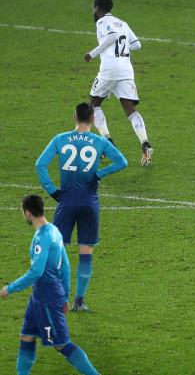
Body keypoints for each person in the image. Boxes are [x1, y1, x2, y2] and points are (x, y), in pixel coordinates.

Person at [35, 102, 128, 313]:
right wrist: (98, 175)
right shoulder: (99, 141)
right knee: (85, 252)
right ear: (93, 119)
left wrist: (52, 190)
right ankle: (79, 301)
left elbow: (40, 164)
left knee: (58, 251)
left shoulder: (61, 139)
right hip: (89, 203)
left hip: (66, 202)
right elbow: (122, 162)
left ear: (73, 117)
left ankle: (58, 298)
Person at [1, 195, 100, 375]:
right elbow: (66, 267)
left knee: (61, 345)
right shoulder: (54, 230)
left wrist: (10, 287)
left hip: (47, 297)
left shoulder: (41, 238)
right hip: (40, 297)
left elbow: (36, 272)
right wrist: (65, 295)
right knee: (27, 337)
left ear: (28, 213)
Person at [84, 0, 153, 166]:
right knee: (130, 108)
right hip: (126, 70)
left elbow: (113, 36)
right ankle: (145, 143)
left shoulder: (102, 22)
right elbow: (137, 44)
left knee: (94, 104)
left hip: (109, 70)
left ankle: (107, 141)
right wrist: (122, 50)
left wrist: (92, 54)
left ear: (97, 8)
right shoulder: (123, 23)